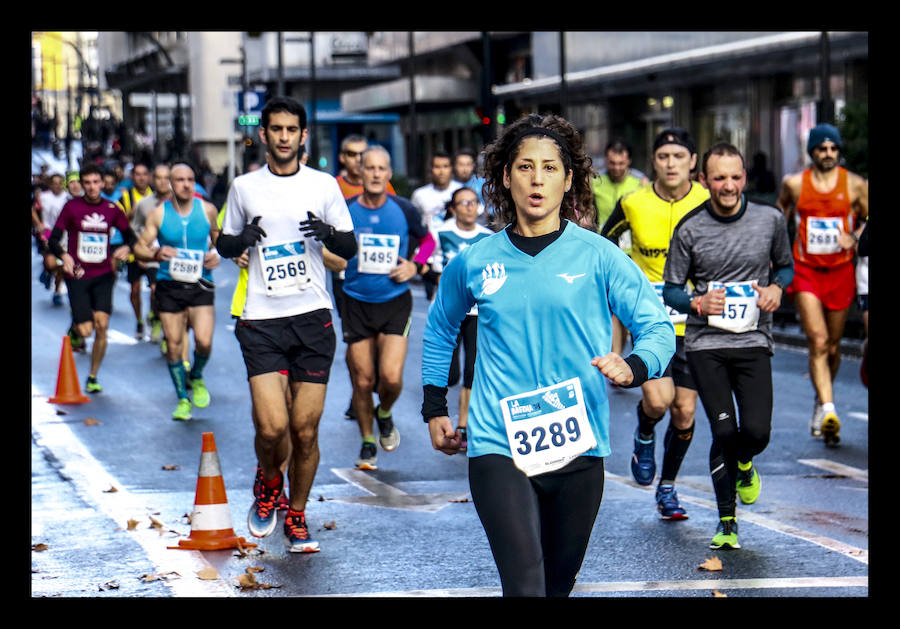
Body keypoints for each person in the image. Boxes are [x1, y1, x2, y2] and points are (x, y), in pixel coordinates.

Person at [421, 113, 675, 597]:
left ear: (569, 179)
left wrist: (634, 366)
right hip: (499, 441)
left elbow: (657, 328)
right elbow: (439, 328)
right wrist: (435, 405)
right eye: (524, 167)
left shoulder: (598, 256)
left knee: (556, 587)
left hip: (579, 445)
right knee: (525, 585)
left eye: (550, 168)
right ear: (504, 177)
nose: (537, 179)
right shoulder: (476, 259)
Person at [217, 96, 357, 553]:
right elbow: (224, 242)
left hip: (312, 317)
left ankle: (296, 514)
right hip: (261, 317)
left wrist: (328, 234)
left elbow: (349, 245)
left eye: (290, 129)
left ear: (302, 136)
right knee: (272, 429)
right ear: (263, 135)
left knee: (305, 430)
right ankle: (268, 481)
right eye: (274, 129)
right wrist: (243, 239)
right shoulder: (243, 186)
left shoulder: (323, 185)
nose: (282, 137)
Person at [663, 142, 793, 549]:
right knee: (723, 429)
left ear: (745, 178)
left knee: (755, 431)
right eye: (719, 178)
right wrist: (697, 302)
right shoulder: (689, 228)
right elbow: (671, 291)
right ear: (704, 180)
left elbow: (786, 267)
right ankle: (726, 522)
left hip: (753, 339)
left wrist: (776, 288)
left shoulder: (770, 219)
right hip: (706, 344)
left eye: (735, 177)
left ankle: (745, 461)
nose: (728, 185)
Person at [599, 127, 709, 519]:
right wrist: (622, 284)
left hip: (696, 324)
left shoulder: (708, 201)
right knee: (659, 402)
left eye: (679, 157)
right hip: (651, 322)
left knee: (684, 413)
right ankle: (645, 430)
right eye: (663, 157)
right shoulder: (633, 202)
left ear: (693, 162)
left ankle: (668, 488)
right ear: (654, 162)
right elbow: (604, 245)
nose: (671, 164)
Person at [776, 123, 868, 446]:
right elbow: (778, 218)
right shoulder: (795, 185)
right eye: (821, 148)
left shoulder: (855, 186)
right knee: (817, 340)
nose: (828, 153)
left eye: (832, 148)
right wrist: (779, 257)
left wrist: (854, 236)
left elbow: (868, 219)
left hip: (841, 272)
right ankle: (829, 409)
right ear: (811, 151)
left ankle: (820, 397)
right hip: (806, 273)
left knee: (833, 346)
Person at [341, 145, 432, 470]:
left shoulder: (403, 209)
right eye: (370, 168)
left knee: (390, 379)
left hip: (394, 301)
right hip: (355, 301)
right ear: (360, 172)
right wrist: (334, 261)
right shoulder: (346, 209)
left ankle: (384, 412)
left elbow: (428, 241)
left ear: (389, 174)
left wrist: (415, 266)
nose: (376, 174)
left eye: (382, 168)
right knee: (363, 381)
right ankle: (367, 441)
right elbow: (328, 246)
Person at [133, 163, 220, 421]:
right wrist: (157, 253)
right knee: (174, 344)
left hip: (201, 284)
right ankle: (183, 398)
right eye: (180, 180)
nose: (185, 184)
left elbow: (219, 242)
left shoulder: (207, 210)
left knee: (204, 341)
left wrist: (217, 256)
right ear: (170, 184)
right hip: (169, 285)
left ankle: (196, 375)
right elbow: (139, 248)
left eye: (190, 179)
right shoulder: (159, 214)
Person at [46, 164, 139, 393]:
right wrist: (64, 255)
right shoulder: (72, 207)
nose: (92, 187)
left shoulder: (112, 208)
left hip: (103, 274)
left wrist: (127, 248)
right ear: (82, 184)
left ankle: (93, 375)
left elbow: (131, 236)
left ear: (102, 183)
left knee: (102, 325)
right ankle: (76, 328)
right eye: (87, 183)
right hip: (77, 274)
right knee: (86, 330)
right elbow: (54, 239)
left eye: (96, 182)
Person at [333, 135, 397, 422]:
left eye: (362, 155)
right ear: (343, 158)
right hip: (346, 276)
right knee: (356, 341)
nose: (358, 161)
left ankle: (376, 386)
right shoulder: (334, 188)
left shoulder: (384, 184)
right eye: (351, 154)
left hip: (384, 275)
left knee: (383, 341)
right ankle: (357, 390)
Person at [432, 186, 493, 449]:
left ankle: (463, 425)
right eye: (462, 202)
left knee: (472, 370)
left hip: (478, 310)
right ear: (453, 208)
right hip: (449, 311)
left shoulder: (489, 237)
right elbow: (431, 258)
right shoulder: (441, 232)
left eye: (473, 202)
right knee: (452, 374)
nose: (469, 206)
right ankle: (440, 413)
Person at [591, 140, 648, 358]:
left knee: (623, 308)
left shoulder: (639, 184)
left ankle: (623, 353)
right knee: (613, 308)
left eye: (621, 163)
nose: (616, 168)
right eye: (612, 163)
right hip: (603, 251)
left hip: (632, 253)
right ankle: (616, 353)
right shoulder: (595, 183)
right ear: (606, 160)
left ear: (628, 162)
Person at [411, 151, 464, 300]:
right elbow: (415, 225)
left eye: (445, 166)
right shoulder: (420, 195)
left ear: (451, 169)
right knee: (434, 301)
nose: (441, 171)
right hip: (429, 256)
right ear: (431, 170)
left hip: (454, 252)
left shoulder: (460, 191)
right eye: (437, 167)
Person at [125, 162, 163, 341]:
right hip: (135, 251)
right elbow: (124, 225)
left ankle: (154, 318)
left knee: (156, 289)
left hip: (155, 253)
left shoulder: (161, 198)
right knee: (135, 290)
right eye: (137, 174)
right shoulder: (126, 197)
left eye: (144, 174)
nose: (141, 178)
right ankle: (140, 320)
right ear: (132, 177)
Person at [36, 173, 70, 306]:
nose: (57, 185)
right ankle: (47, 271)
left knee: (62, 265)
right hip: (49, 233)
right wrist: (39, 224)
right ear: (50, 184)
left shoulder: (67, 197)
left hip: (64, 235)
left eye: (59, 183)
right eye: (54, 183)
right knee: (51, 263)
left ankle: (57, 292)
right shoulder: (44, 197)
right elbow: (34, 210)